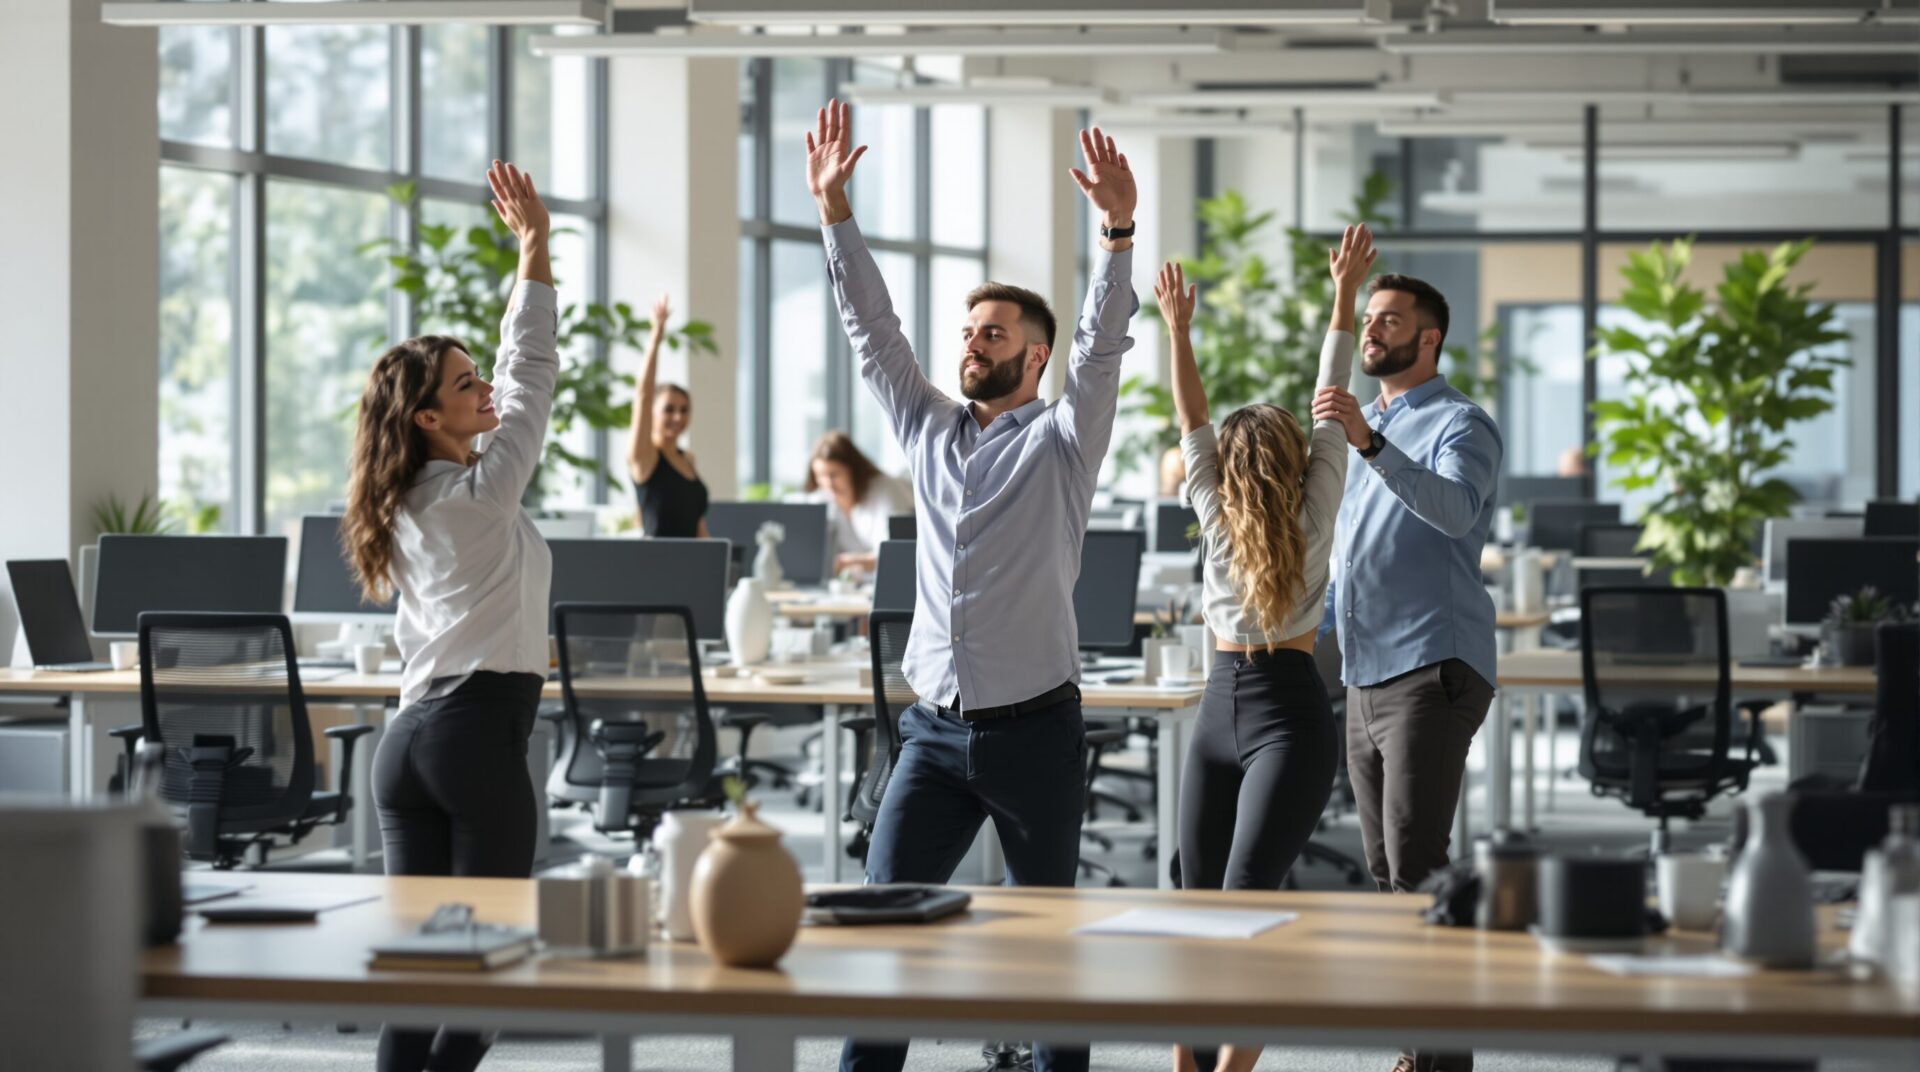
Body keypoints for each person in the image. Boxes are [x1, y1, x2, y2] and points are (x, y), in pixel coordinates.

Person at [806, 98, 1137, 1072]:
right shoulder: (925, 430)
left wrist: (1118, 236)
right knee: (879, 932)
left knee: (1048, 952)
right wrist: (834, 212)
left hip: (1035, 731)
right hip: (935, 734)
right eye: (970, 331)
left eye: (993, 334)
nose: (973, 344)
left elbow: (1102, 350)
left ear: (1034, 356)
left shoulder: (1064, 442)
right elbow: (872, 330)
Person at [341, 160, 556, 1072]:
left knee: (419, 984)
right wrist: (536, 250)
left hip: (410, 747)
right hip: (473, 739)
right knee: (480, 978)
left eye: (479, 379)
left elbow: (515, 383)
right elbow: (534, 370)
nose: (487, 393)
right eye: (467, 386)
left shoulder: (400, 500)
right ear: (428, 418)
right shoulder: (480, 493)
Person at [1159, 225, 1370, 1072]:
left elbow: (1191, 416)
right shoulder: (1299, 498)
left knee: (1241, 902)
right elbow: (1330, 392)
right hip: (1234, 710)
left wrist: (1179, 331)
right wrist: (1343, 294)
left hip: (1273, 716)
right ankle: (1189, 1067)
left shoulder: (1228, 503)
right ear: (1289, 460)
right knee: (1199, 901)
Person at [1313, 272, 1504, 1072]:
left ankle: (1443, 1059)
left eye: (1389, 320)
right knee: (1390, 869)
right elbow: (1347, 557)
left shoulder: (1459, 423)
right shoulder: (1375, 418)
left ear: (1430, 338)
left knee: (1419, 863)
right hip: (1364, 669)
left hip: (1434, 663)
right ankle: (1419, 1048)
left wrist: (1369, 445)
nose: (1372, 331)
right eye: (1367, 319)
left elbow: (1457, 511)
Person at [627, 292, 709, 538]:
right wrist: (655, 340)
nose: (678, 417)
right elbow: (643, 396)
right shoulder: (645, 459)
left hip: (691, 567)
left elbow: (698, 527)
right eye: (669, 409)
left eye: (684, 410)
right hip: (658, 568)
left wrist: (723, 564)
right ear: (653, 413)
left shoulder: (688, 460)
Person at [801, 430, 913, 577]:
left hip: (898, 579)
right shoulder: (825, 499)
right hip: (857, 587)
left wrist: (858, 561)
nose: (828, 484)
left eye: (834, 475)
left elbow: (897, 553)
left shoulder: (885, 490)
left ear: (852, 470)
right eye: (820, 475)